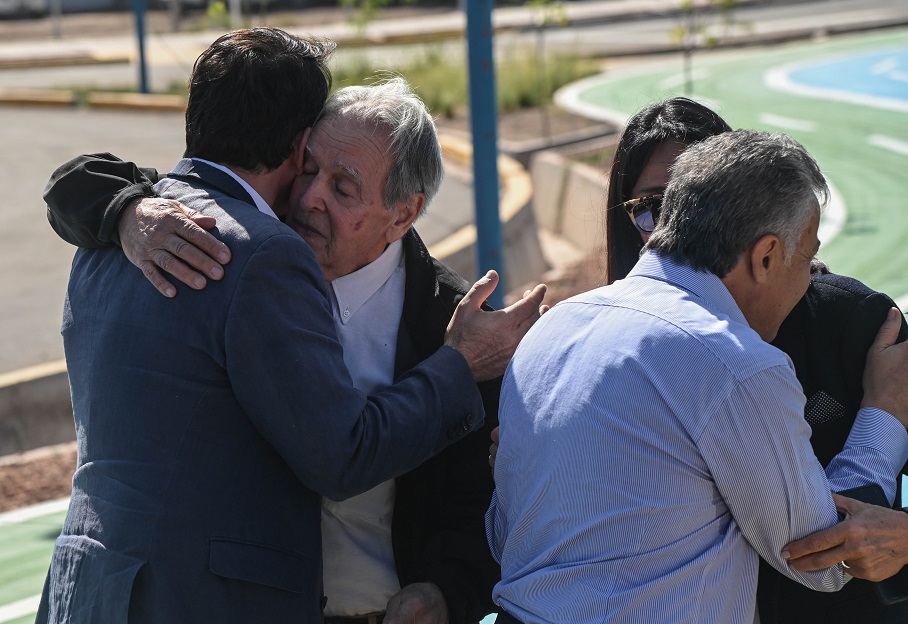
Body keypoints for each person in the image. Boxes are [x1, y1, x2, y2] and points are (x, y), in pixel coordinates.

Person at [37, 28, 545, 624]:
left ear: (403, 213)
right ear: (298, 144)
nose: (310, 199)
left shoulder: (454, 321)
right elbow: (343, 454)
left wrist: (447, 592)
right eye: (310, 169)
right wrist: (456, 367)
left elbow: (484, 498)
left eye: (343, 186)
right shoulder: (203, 239)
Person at [487, 129, 908, 624]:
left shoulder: (551, 329)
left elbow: (502, 536)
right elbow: (823, 556)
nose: (809, 280)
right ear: (766, 256)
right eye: (805, 260)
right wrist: (884, 413)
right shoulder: (735, 364)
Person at [600, 97, 908, 623]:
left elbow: (826, 549)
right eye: (657, 206)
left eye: (701, 199)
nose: (682, 224)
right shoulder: (604, 350)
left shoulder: (856, 323)